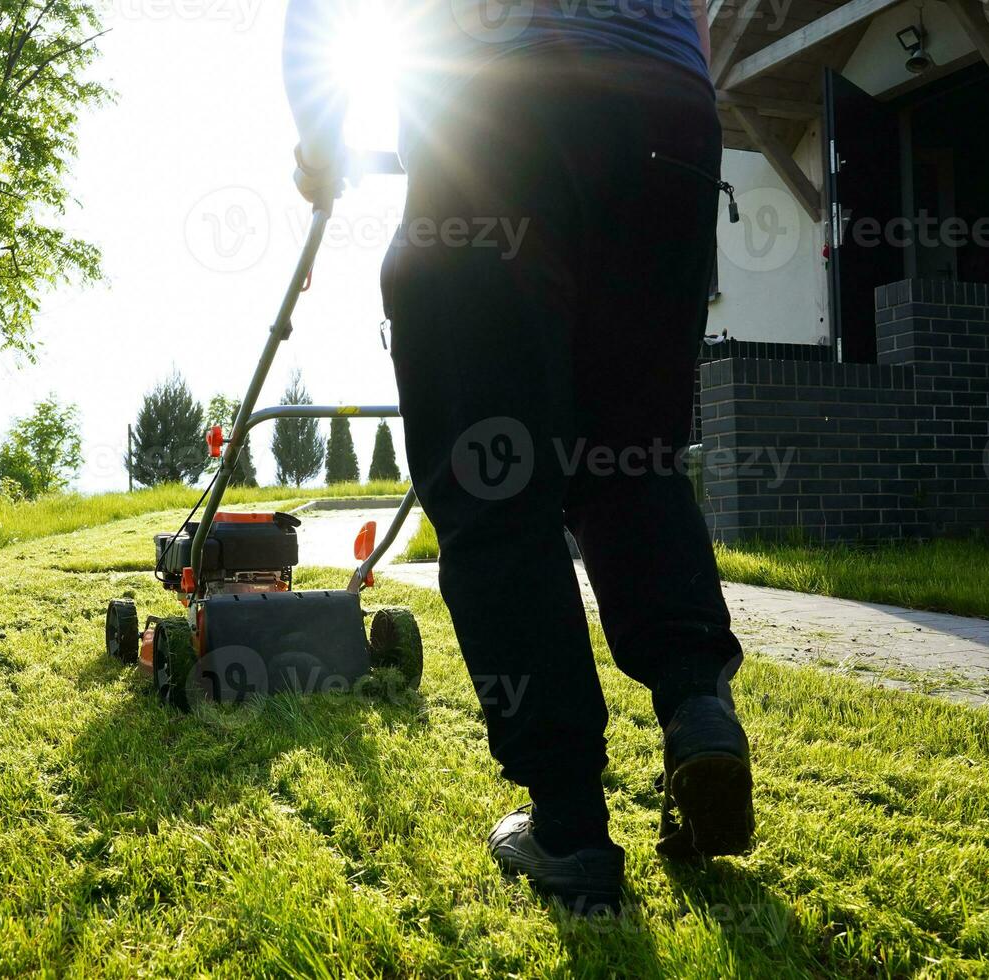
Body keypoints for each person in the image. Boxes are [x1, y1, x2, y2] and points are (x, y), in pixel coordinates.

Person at [283, 0, 753, 911]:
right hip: (669, 120)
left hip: (491, 109)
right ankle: (697, 700)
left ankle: (569, 823)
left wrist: (318, 149)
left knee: (495, 479)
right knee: (630, 455)